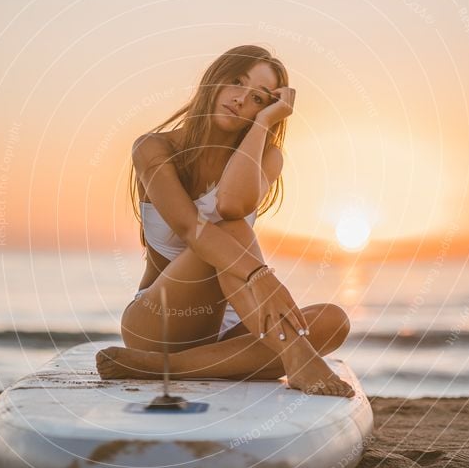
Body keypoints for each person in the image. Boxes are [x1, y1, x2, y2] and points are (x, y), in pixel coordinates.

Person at [96, 44, 354, 397]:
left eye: (259, 99)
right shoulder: (154, 148)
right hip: (158, 318)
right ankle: (291, 356)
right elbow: (192, 228)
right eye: (236, 82)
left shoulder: (268, 158)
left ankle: (160, 368)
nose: (241, 99)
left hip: (229, 322)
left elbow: (232, 203)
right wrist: (258, 274)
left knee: (333, 321)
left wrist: (263, 124)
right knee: (231, 232)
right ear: (214, 81)